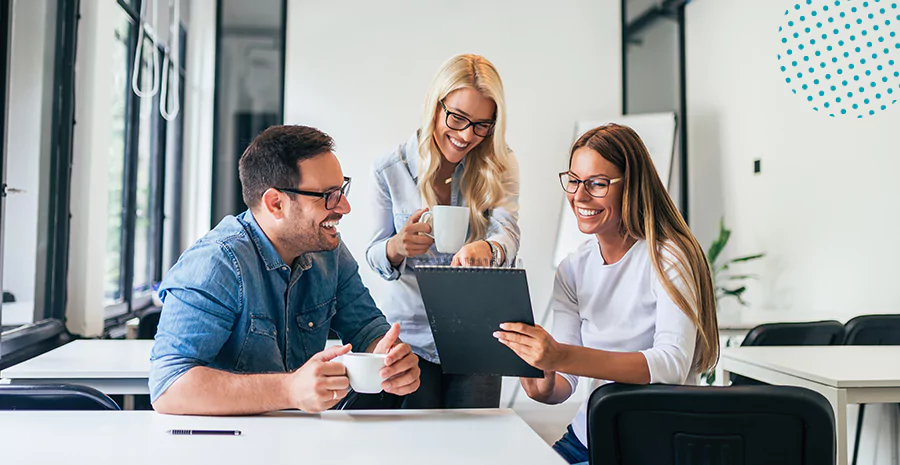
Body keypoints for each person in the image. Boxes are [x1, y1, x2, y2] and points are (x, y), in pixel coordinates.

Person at [150, 125, 421, 415]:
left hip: (299, 439)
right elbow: (169, 388)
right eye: (328, 195)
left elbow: (368, 329)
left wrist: (389, 356)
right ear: (276, 204)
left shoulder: (329, 253)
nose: (344, 207)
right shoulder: (216, 263)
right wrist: (289, 389)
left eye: (341, 190)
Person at [494, 124, 719, 464]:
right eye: (573, 180)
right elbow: (563, 384)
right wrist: (541, 380)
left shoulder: (669, 257)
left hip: (657, 444)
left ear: (632, 185)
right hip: (591, 435)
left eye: (597, 184)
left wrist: (559, 356)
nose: (580, 197)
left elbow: (671, 363)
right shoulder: (572, 270)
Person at [365, 54, 520, 408]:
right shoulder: (390, 168)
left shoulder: (501, 162)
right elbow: (373, 253)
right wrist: (397, 246)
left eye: (482, 125)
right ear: (435, 106)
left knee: (473, 446)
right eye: (458, 118)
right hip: (410, 336)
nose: (467, 135)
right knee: (414, 447)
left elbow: (507, 232)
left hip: (478, 330)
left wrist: (489, 249)